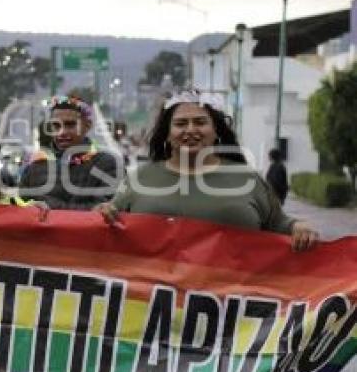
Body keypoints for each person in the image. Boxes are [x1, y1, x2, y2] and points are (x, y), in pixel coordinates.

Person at [95, 89, 319, 251]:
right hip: (155, 308)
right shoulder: (139, 179)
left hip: (232, 309)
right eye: (181, 124)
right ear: (167, 134)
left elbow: (279, 223)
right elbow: (108, 222)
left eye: (200, 122)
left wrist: (299, 227)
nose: (191, 130)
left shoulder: (247, 179)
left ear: (216, 131)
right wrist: (103, 212)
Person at [19, 95, 122, 210]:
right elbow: (19, 210)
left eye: (70, 125)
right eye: (56, 126)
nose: (61, 132)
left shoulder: (107, 164)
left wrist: (50, 207)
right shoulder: (34, 165)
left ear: (87, 126)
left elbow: (107, 211)